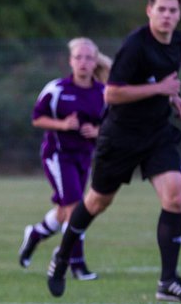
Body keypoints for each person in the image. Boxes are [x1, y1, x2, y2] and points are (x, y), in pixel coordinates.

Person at [46, 0, 181, 302]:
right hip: (120, 137)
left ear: (179, 14)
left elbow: (164, 79)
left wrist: (173, 97)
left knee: (174, 197)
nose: (167, 16)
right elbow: (112, 94)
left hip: (157, 133)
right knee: (96, 203)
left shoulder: (178, 42)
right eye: (162, 9)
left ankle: (168, 282)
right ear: (149, 11)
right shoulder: (135, 45)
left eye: (173, 10)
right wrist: (161, 89)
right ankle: (61, 257)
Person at [17, 38, 111, 278]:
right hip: (58, 156)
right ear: (70, 61)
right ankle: (76, 263)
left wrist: (98, 131)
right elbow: (37, 118)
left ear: (95, 62)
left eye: (89, 58)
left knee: (65, 210)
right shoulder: (56, 89)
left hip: (85, 157)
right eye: (78, 57)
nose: (83, 62)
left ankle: (35, 235)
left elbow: (112, 124)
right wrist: (62, 124)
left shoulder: (103, 93)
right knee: (76, 209)